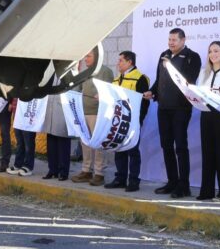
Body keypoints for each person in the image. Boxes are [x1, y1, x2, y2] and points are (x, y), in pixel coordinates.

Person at [147, 28, 202, 198]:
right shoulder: (164, 54)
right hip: (163, 107)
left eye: (174, 40)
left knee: (180, 146)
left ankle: (183, 185)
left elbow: (189, 81)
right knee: (166, 145)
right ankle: (171, 182)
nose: (170, 42)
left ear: (183, 40)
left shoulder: (193, 57)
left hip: (181, 108)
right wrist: (152, 91)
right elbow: (159, 78)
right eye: (169, 39)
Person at [105, 50, 150, 192]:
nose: (117, 63)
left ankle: (134, 181)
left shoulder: (140, 78)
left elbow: (144, 102)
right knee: (119, 149)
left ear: (130, 62)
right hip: (118, 121)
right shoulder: (116, 79)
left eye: (120, 61)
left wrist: (138, 120)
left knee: (132, 150)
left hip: (133, 122)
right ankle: (120, 179)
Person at [195, 41, 220, 202]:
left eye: (216, 50)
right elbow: (197, 92)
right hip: (206, 115)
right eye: (210, 51)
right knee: (207, 153)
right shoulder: (204, 72)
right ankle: (207, 190)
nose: (213, 54)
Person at [71, 50, 115, 186]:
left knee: (98, 144)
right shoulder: (85, 72)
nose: (85, 59)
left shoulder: (105, 71)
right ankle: (86, 171)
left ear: (97, 58)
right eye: (85, 56)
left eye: (88, 56)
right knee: (85, 143)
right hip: (83, 112)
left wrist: (101, 95)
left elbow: (109, 90)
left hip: (98, 113)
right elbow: (77, 90)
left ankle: (99, 173)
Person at [43, 94, 72, 181]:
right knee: (51, 145)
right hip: (50, 111)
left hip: (63, 113)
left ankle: (63, 172)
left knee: (63, 145)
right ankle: (52, 170)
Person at [7, 99, 37, 176]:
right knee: (20, 142)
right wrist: (11, 103)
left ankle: (28, 166)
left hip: (29, 112)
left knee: (28, 142)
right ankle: (18, 164)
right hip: (17, 112)